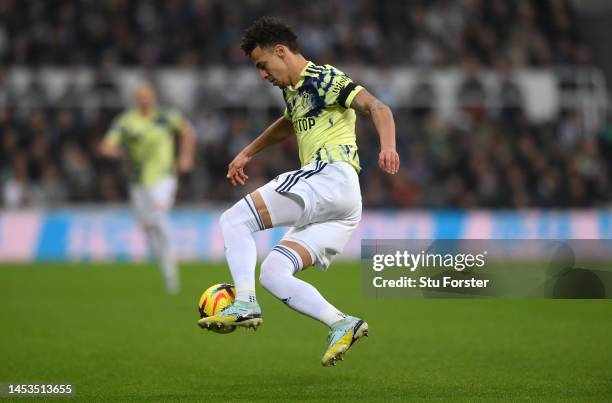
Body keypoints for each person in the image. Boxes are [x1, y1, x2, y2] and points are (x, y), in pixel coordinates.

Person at [197, 17, 399, 367]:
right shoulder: (292, 90)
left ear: (281, 51)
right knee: (274, 271)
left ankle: (244, 302)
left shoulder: (324, 78)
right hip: (343, 206)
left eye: (263, 65)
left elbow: (377, 107)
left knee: (234, 221)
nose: (262, 75)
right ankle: (341, 322)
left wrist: (388, 146)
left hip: (328, 177)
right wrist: (248, 151)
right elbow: (289, 122)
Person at [100, 81, 195, 294]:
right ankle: (165, 271)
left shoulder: (167, 116)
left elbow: (187, 132)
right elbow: (107, 145)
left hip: (163, 177)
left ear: (153, 96)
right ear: (135, 98)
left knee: (160, 220)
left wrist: (185, 157)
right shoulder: (126, 122)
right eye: (140, 96)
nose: (143, 99)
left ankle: (172, 278)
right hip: (137, 182)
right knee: (149, 229)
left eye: (147, 95)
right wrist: (114, 152)